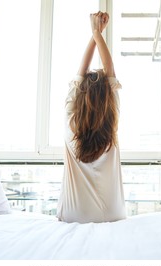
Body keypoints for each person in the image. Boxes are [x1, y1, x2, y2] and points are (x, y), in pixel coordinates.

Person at [56, 12, 126, 223]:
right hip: (113, 213)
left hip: (74, 214)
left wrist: (95, 32)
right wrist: (97, 33)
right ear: (107, 98)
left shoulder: (70, 121)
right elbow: (110, 70)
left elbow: (81, 72)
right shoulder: (110, 123)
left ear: (80, 96)